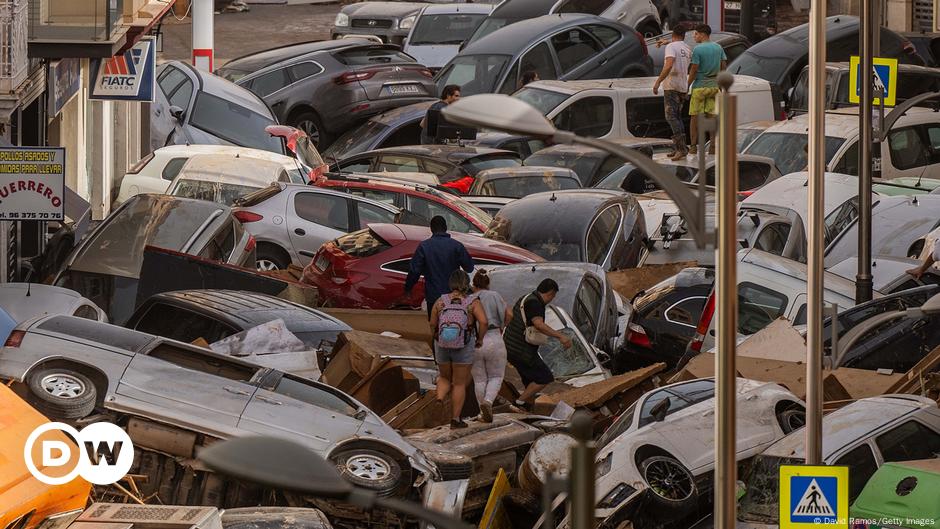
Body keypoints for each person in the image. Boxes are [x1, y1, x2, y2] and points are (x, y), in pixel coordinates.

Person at [430, 270, 487, 429]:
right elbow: (483, 322)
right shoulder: (472, 302)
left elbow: (432, 324)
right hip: (463, 344)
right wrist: (480, 339)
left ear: (451, 284)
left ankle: (439, 398)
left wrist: (436, 337)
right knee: (459, 383)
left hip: (442, 345)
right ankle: (455, 419)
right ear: (466, 284)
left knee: (444, 377)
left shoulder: (441, 301)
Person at [502, 278, 572, 407]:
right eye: (553, 296)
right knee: (544, 377)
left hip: (510, 347)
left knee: (529, 380)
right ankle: (519, 402)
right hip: (522, 350)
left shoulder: (526, 297)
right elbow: (539, 325)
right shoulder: (535, 304)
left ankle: (528, 404)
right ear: (550, 293)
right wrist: (560, 336)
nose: (552, 299)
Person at [403, 215, 474, 317]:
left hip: (433, 295)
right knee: (453, 325)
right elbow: (469, 267)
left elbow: (414, 271)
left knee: (434, 325)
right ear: (445, 228)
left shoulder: (424, 246)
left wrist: (408, 288)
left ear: (431, 229)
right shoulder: (457, 246)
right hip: (454, 296)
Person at [469, 269, 512, 422]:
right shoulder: (495, 296)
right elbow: (509, 315)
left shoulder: (470, 298)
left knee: (479, 380)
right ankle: (488, 402)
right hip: (494, 337)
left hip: (474, 340)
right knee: (496, 376)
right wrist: (503, 325)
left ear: (473, 283)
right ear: (488, 283)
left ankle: (482, 413)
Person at [686, 24, 727, 155]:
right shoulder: (718, 47)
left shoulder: (698, 50)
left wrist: (686, 85)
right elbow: (723, 67)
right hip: (714, 87)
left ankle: (693, 146)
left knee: (695, 118)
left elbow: (693, 70)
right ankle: (713, 146)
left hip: (699, 87)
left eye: (696, 34)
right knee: (712, 117)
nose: (694, 36)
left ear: (702, 34)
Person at [653, 26, 692, 160]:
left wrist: (658, 81)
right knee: (677, 117)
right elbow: (677, 46)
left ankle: (681, 149)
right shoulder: (686, 48)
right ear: (683, 36)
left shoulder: (671, 47)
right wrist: (666, 42)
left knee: (671, 117)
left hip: (671, 86)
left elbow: (669, 65)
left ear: (673, 34)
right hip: (682, 86)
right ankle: (680, 148)